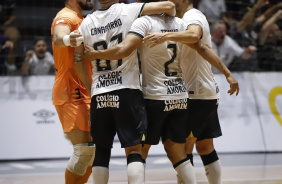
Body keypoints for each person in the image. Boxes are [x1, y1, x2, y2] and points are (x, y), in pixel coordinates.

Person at [83, 0, 200, 183]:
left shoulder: (139, 22)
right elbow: (194, 38)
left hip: (144, 94)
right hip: (177, 94)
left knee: (116, 151)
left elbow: (120, 49)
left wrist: (95, 57)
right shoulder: (180, 23)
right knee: (171, 152)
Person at [142, 0, 239, 183]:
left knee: (182, 149)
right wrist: (227, 74)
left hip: (196, 92)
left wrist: (165, 36)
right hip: (205, 91)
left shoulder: (191, 17)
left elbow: (195, 37)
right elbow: (203, 47)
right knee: (204, 146)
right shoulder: (183, 18)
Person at [50, 0, 95, 183]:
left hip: (86, 88)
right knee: (84, 151)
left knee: (92, 153)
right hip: (70, 89)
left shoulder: (80, 17)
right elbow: (59, 37)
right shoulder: (65, 16)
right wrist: (68, 39)